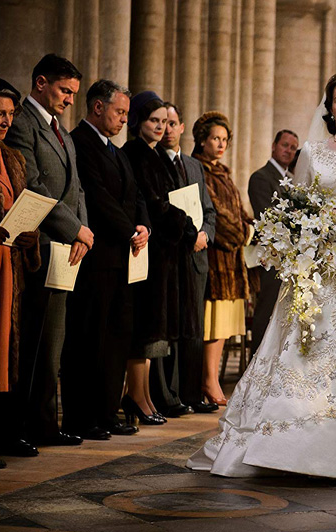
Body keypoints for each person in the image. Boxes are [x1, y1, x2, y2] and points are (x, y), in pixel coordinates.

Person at [188, 70, 336, 485]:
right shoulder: (312, 152)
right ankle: (287, 445)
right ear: (329, 107)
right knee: (308, 343)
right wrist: (298, 246)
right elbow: (297, 208)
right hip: (318, 263)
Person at [8, 54, 89, 447]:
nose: (70, 99)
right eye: (64, 90)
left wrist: (82, 230)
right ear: (41, 82)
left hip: (66, 248)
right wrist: (74, 229)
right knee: (33, 343)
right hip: (37, 246)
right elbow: (34, 186)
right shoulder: (22, 124)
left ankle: (44, 424)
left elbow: (77, 189)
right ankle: (19, 426)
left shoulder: (62, 131)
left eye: (73, 92)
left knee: (53, 342)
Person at [61, 80, 149, 440]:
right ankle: (82, 417)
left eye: (127, 114)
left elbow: (136, 193)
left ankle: (107, 410)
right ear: (98, 107)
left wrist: (143, 225)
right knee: (89, 339)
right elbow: (96, 197)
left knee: (117, 338)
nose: (124, 120)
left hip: (124, 258)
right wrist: (130, 229)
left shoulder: (118, 151)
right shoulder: (80, 143)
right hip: (96, 258)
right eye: (120, 112)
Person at [123, 91, 187, 425]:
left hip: (163, 251)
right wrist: (183, 223)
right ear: (138, 122)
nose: (161, 127)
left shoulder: (156, 154)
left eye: (165, 121)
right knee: (144, 326)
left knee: (155, 326)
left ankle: (144, 395)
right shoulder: (135, 152)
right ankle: (136, 395)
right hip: (146, 247)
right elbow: (151, 200)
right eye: (154, 120)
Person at [156, 102, 218, 415]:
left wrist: (206, 234)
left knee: (194, 328)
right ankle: (169, 395)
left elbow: (208, 209)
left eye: (173, 123)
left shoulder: (193, 166)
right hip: (171, 254)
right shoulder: (154, 161)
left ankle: (193, 394)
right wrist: (189, 237)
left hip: (196, 256)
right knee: (170, 328)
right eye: (163, 123)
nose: (168, 129)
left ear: (182, 128)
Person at [0, 77, 41, 463]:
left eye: (9, 114)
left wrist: (30, 233)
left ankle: (3, 431)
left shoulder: (12, 156)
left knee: (5, 348)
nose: (4, 121)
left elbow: (21, 202)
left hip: (7, 264)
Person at [192, 111, 252, 407]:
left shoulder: (223, 172)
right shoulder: (199, 170)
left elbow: (238, 210)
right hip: (215, 256)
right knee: (212, 324)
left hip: (232, 261)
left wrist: (250, 225)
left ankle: (211, 379)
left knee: (224, 326)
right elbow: (217, 213)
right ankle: (208, 380)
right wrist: (241, 232)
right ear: (202, 139)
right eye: (215, 138)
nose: (220, 144)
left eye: (224, 139)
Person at [247, 129, 299, 354]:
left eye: (293, 148)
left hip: (290, 258)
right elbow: (267, 216)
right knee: (266, 310)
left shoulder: (292, 180)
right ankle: (255, 364)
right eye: (285, 145)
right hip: (271, 256)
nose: (288, 150)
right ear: (274, 145)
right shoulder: (261, 177)